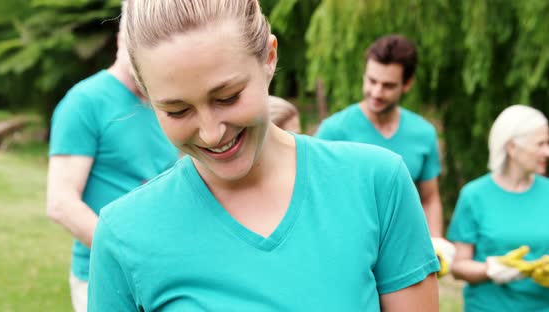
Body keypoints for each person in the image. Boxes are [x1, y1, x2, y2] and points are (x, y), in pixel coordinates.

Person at [87, 1, 439, 311]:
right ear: (147, 95)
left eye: (228, 96)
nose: (211, 133)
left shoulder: (377, 182)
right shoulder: (124, 234)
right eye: (177, 111)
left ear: (269, 57)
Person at [45, 2, 178, 311]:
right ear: (122, 37)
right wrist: (130, 256)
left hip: (161, 273)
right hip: (105, 276)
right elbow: (61, 204)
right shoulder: (84, 102)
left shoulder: (165, 104)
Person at [314, 34, 452, 269]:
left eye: (388, 86)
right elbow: (315, 198)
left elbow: (429, 198)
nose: (376, 92)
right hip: (349, 255)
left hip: (406, 253)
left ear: (406, 84)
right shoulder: (333, 131)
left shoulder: (424, 134)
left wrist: (436, 242)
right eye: (371, 80)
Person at [447, 105, 549, 311]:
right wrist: (492, 269)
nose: (547, 152)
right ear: (511, 147)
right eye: (540, 144)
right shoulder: (474, 195)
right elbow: (458, 267)